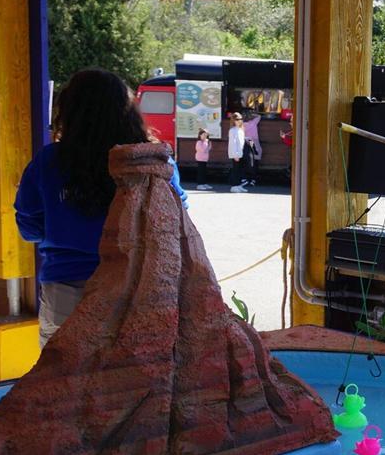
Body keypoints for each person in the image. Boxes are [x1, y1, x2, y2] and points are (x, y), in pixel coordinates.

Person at [15, 68, 187, 346]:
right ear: (129, 110)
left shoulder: (48, 162)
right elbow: (177, 220)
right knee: (132, 382)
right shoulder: (156, 161)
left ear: (69, 110)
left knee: (61, 383)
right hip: (141, 289)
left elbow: (29, 228)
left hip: (67, 292)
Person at [227, 112, 247, 193]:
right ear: (234, 121)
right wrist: (235, 154)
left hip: (241, 152)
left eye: (241, 119)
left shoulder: (241, 130)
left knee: (240, 170)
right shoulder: (232, 130)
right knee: (235, 170)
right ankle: (234, 186)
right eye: (237, 119)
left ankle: (238, 185)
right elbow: (233, 143)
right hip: (236, 153)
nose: (240, 121)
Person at [241, 111, 262, 186]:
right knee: (255, 160)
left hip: (246, 141)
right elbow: (259, 116)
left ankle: (246, 179)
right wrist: (252, 113)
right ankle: (253, 179)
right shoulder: (254, 122)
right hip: (253, 141)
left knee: (247, 161)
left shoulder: (241, 125)